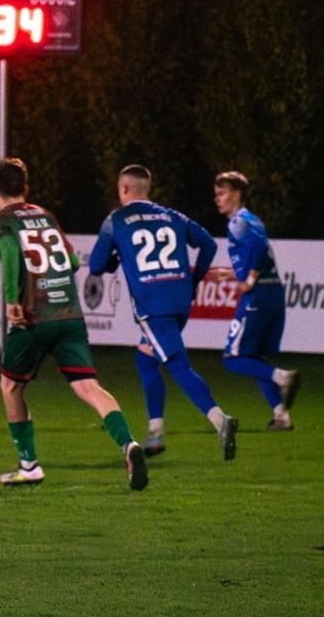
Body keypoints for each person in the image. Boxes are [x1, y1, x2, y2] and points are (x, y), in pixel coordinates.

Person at [0, 158, 148, 490]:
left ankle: (29, 465)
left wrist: (13, 301)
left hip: (34, 316)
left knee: (10, 385)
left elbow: (11, 255)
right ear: (26, 189)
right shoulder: (46, 216)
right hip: (70, 314)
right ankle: (129, 444)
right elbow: (73, 261)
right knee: (88, 387)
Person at [89, 164, 238, 460]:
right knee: (145, 359)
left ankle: (219, 419)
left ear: (124, 189)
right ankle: (156, 431)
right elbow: (207, 243)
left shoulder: (116, 219)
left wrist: (114, 257)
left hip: (152, 305)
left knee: (177, 364)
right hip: (180, 300)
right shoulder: (171, 215)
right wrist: (194, 280)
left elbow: (94, 267)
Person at [208, 171, 300, 429]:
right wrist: (232, 273)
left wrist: (248, 279)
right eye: (216, 194)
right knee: (253, 357)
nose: (218, 199)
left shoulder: (238, 221)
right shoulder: (252, 220)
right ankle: (281, 416)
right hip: (274, 293)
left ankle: (282, 377)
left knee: (232, 358)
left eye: (222, 193)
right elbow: (258, 250)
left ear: (237, 194)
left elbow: (258, 247)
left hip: (257, 295)